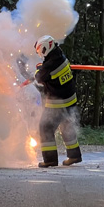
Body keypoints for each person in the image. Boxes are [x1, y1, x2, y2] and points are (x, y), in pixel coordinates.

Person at [32, 35, 82, 167]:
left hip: (59, 103)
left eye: (40, 51)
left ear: (45, 48)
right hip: (70, 99)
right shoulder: (60, 56)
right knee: (66, 126)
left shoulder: (50, 64)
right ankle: (74, 156)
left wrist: (38, 70)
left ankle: (50, 160)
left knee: (45, 127)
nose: (40, 55)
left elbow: (38, 77)